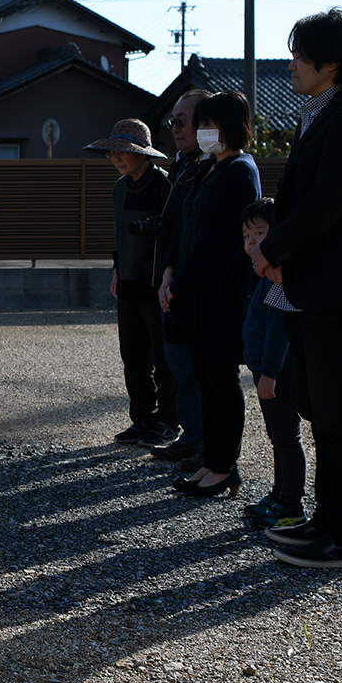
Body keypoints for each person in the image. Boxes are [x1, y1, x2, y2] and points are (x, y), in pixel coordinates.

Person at [251, 8, 342, 571]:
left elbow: (327, 204)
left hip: (333, 284)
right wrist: (278, 252)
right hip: (311, 283)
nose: (292, 64)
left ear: (333, 63)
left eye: (300, 55)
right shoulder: (319, 113)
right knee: (320, 410)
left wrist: (271, 249)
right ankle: (326, 520)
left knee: (337, 413)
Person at [160, 90, 261, 497]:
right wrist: (170, 275)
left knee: (220, 380)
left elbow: (215, 240)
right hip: (196, 293)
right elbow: (184, 228)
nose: (203, 132)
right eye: (200, 125)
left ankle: (223, 465)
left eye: (209, 124)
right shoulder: (209, 168)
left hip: (221, 295)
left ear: (233, 126)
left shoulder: (239, 169)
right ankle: (213, 462)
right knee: (206, 379)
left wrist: (178, 283)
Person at [84, 118, 178, 446]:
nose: (117, 158)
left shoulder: (165, 185)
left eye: (124, 152)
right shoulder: (119, 187)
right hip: (127, 282)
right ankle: (142, 418)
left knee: (163, 358)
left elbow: (171, 235)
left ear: (143, 153)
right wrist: (115, 269)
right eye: (112, 152)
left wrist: (168, 276)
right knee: (133, 358)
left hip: (154, 283)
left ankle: (168, 421)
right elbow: (119, 233)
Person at [142, 90, 207, 469]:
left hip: (195, 281)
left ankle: (205, 444)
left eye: (183, 120)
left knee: (199, 370)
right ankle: (190, 435)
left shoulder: (218, 166)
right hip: (173, 274)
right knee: (178, 363)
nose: (175, 128)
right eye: (173, 121)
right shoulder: (183, 163)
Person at [240, 198, 309, 533]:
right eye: (246, 235)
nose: (252, 241)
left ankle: (292, 504)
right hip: (264, 368)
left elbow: (280, 329)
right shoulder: (265, 274)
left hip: (278, 371)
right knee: (277, 435)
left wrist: (269, 372)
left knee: (286, 436)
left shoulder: (279, 276)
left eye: (260, 232)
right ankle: (280, 494)